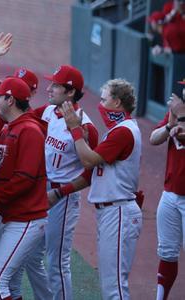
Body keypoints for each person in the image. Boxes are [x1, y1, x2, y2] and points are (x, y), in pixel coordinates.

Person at [55, 78, 142, 300]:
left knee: (115, 287)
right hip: (112, 212)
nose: (100, 105)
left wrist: (74, 129)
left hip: (119, 211)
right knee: (109, 284)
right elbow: (91, 174)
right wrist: (59, 193)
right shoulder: (116, 131)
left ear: (117, 102)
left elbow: (88, 161)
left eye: (104, 99)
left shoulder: (123, 132)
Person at [34, 65, 98, 300]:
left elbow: (90, 173)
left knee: (57, 262)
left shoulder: (86, 127)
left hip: (64, 198)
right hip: (41, 190)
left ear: (70, 92)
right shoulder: (49, 111)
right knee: (31, 256)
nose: (49, 88)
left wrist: (60, 193)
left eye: (56, 85)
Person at [0, 77, 49, 300]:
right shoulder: (10, 128)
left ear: (10, 100)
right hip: (13, 217)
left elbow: (25, 178)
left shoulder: (29, 130)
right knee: (8, 283)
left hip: (26, 219)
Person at [149, 80, 185, 300]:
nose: (180, 93)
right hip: (170, 193)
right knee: (167, 252)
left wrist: (179, 118)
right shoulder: (173, 114)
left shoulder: (179, 113)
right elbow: (154, 138)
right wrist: (170, 124)